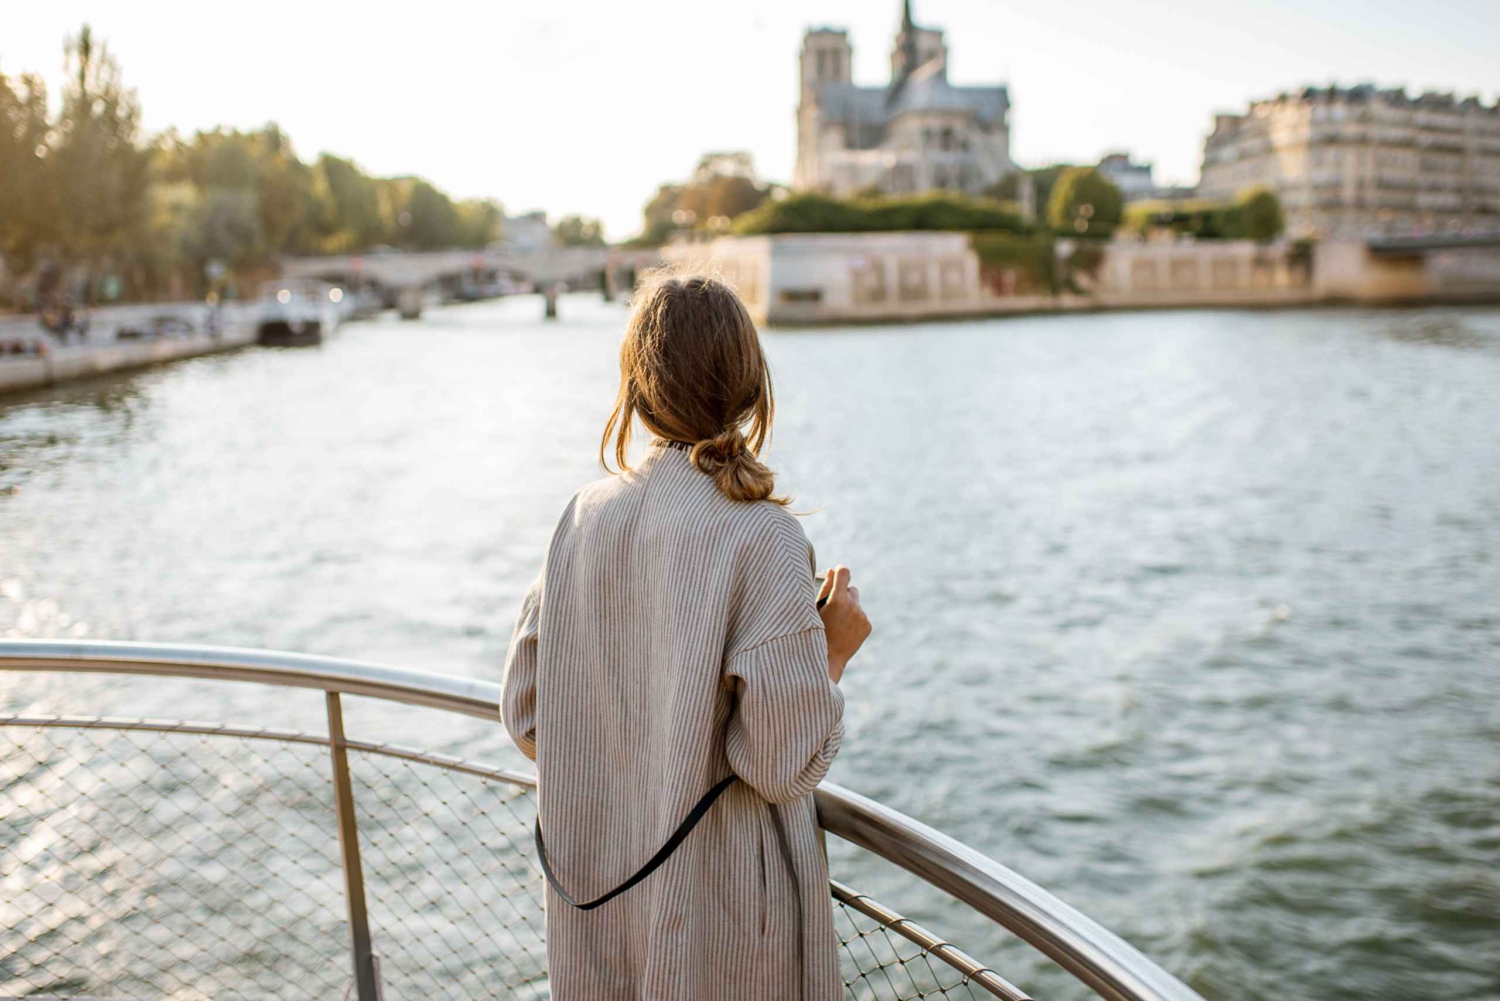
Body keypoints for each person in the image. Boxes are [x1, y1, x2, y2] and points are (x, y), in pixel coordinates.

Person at [502, 273, 871, 1001]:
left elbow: (527, 713)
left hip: (602, 899)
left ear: (637, 390)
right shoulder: (762, 536)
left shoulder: (582, 517)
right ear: (749, 386)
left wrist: (637, 756)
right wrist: (829, 649)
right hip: (722, 923)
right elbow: (779, 760)